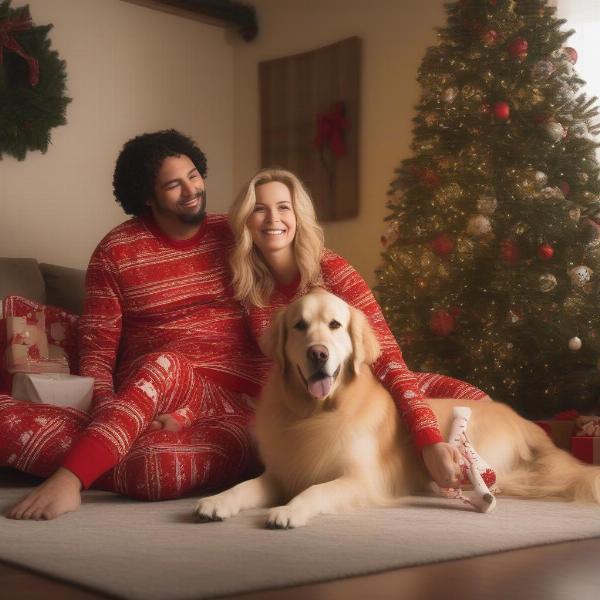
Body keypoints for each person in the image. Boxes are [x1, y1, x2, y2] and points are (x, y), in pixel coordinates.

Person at [1, 130, 260, 520]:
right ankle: (88, 463)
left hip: (235, 404)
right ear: (146, 196)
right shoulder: (116, 252)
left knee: (159, 466)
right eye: (173, 184)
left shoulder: (236, 236)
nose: (191, 189)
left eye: (194, 175)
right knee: (161, 403)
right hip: (151, 398)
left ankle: (82, 466)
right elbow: (98, 354)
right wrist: (111, 414)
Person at [227, 168, 490, 488]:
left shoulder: (332, 270)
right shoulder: (246, 288)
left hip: (371, 385)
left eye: (284, 207)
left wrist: (428, 440)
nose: (273, 218)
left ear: (298, 215)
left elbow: (387, 357)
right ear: (245, 220)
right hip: (303, 404)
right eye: (259, 208)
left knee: (478, 403)